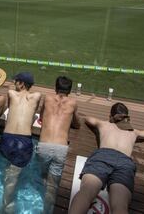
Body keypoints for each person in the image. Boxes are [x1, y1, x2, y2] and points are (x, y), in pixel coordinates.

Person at [69, 103, 144, 214]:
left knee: (86, 193)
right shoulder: (134, 131)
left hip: (103, 156)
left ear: (111, 116)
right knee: (120, 206)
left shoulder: (104, 124)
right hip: (124, 163)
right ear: (127, 117)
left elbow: (88, 119)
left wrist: (109, 120)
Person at [36, 76, 81, 214]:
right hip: (61, 148)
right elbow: (77, 124)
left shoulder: (48, 98)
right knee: (53, 185)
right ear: (70, 90)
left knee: (42, 174)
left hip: (43, 145)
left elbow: (42, 117)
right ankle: (47, 210)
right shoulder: (73, 103)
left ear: (55, 88)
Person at [0, 72, 41, 214]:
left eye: (16, 81)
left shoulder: (10, 93)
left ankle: (5, 204)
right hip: (23, 140)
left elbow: (10, 109)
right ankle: (6, 206)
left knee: (8, 169)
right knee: (14, 177)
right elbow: (33, 110)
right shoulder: (37, 96)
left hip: (7, 138)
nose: (14, 83)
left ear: (21, 83)